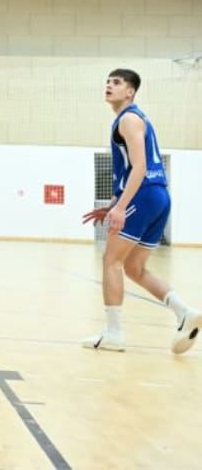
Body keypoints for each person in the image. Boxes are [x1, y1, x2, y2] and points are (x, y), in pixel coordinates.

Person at [81, 69, 200, 353]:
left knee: (111, 261)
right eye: (107, 81)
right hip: (156, 196)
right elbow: (132, 171)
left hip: (144, 195)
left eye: (117, 82)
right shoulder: (134, 119)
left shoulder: (129, 119)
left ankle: (113, 333)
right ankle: (183, 312)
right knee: (135, 268)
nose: (109, 85)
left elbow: (140, 166)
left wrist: (122, 207)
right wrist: (113, 204)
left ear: (130, 91)